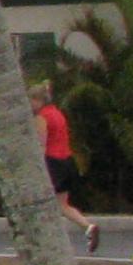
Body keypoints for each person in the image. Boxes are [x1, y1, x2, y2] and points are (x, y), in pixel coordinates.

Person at [33, 80, 96, 252]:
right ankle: (88, 227)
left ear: (38, 100)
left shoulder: (42, 117)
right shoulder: (58, 114)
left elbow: (41, 144)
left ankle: (45, 238)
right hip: (67, 160)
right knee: (62, 205)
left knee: (41, 202)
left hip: (53, 162)